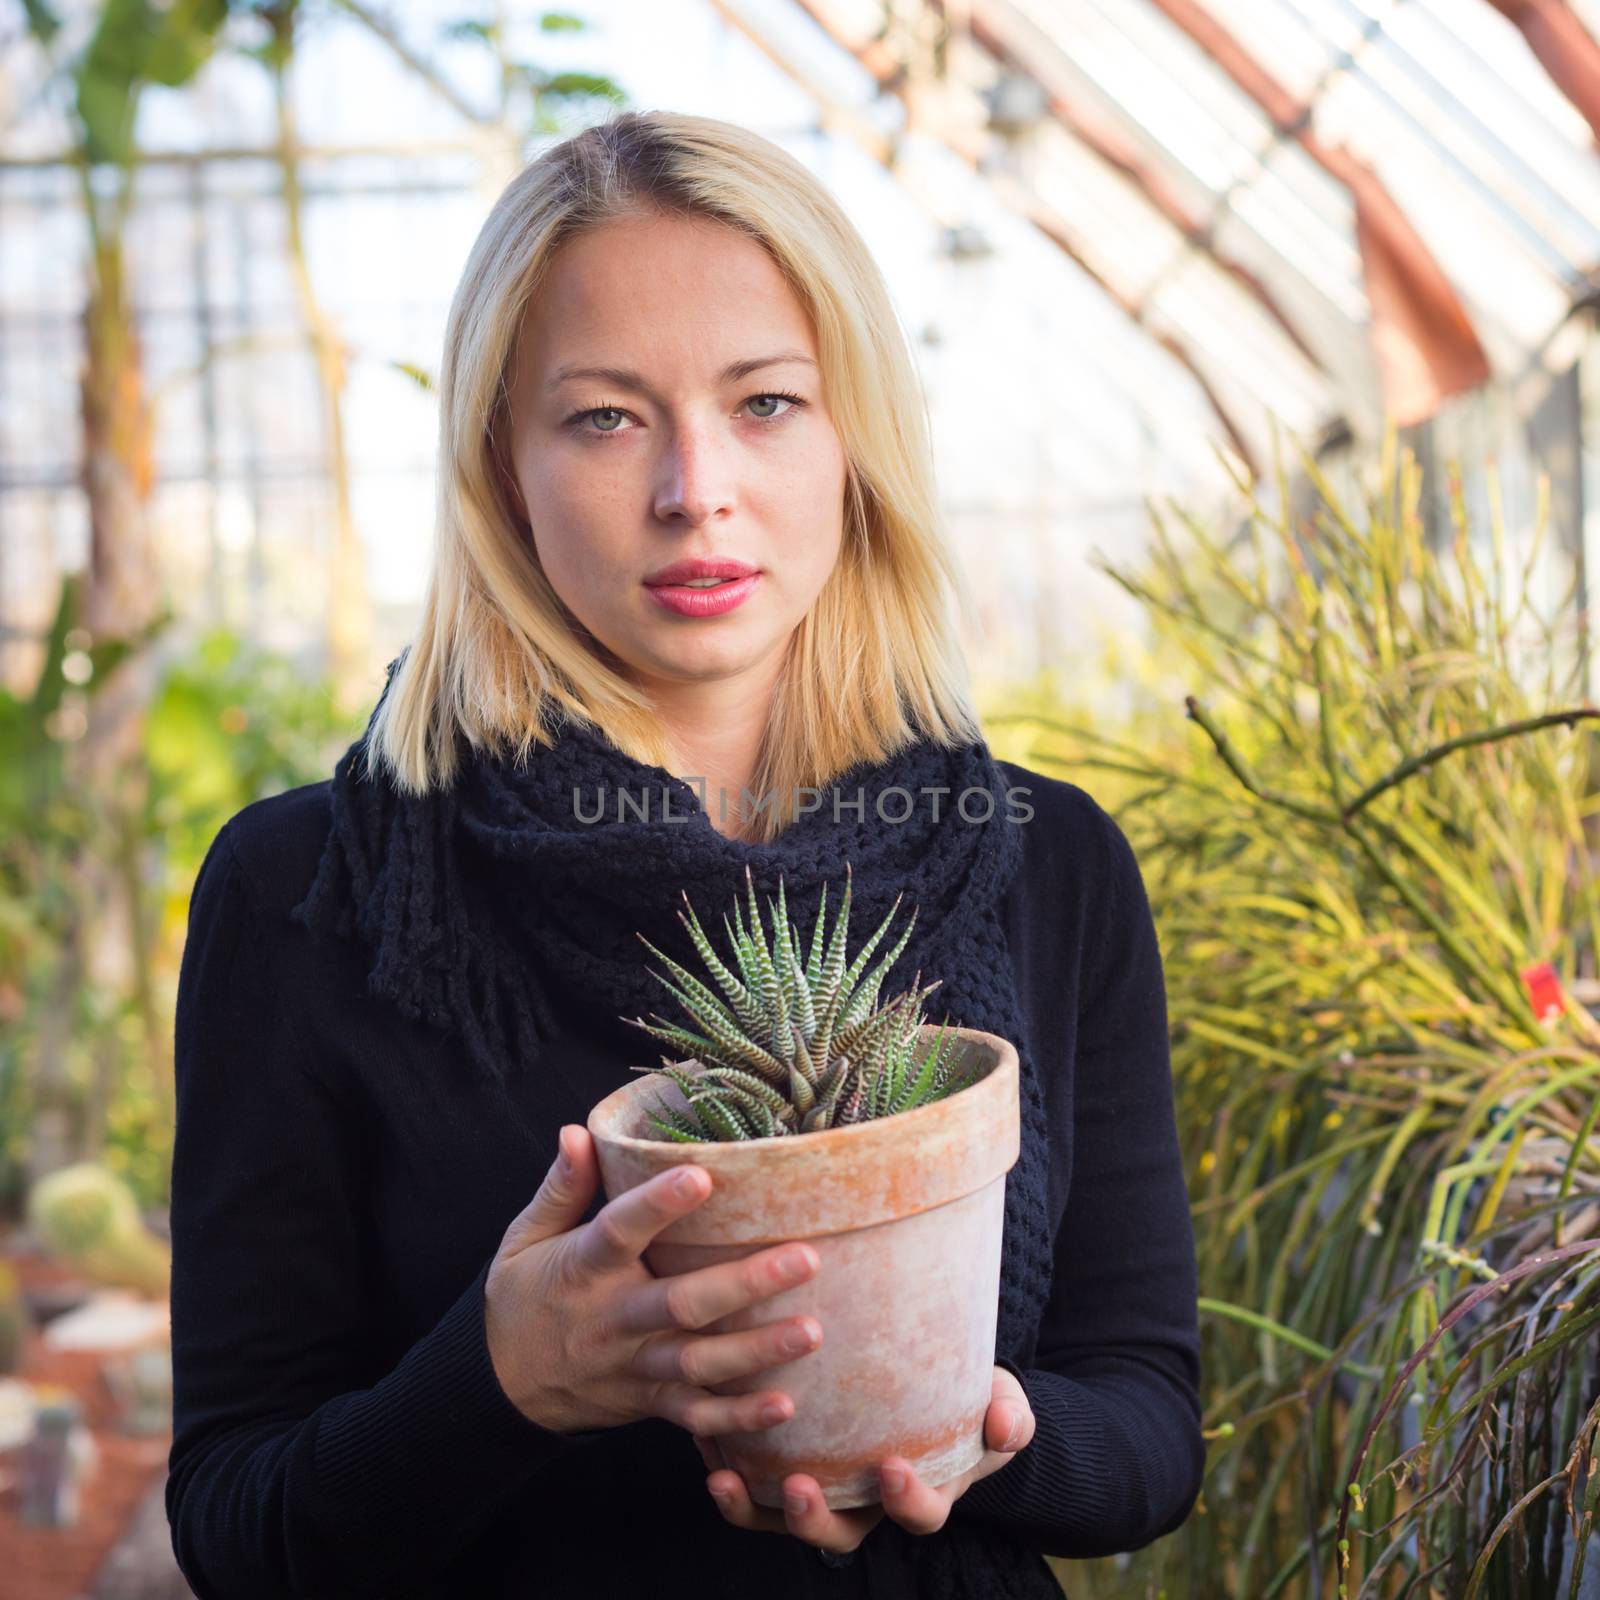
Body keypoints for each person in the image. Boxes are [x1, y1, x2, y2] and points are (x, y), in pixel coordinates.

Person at [164, 108, 1204, 1600]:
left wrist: (981, 1435)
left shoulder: (1044, 864)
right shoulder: (315, 893)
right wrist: (502, 1380)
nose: (693, 488)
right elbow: (236, 1518)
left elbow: (1151, 1424)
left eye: (767, 402)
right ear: (499, 465)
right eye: (603, 416)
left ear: (857, 437)